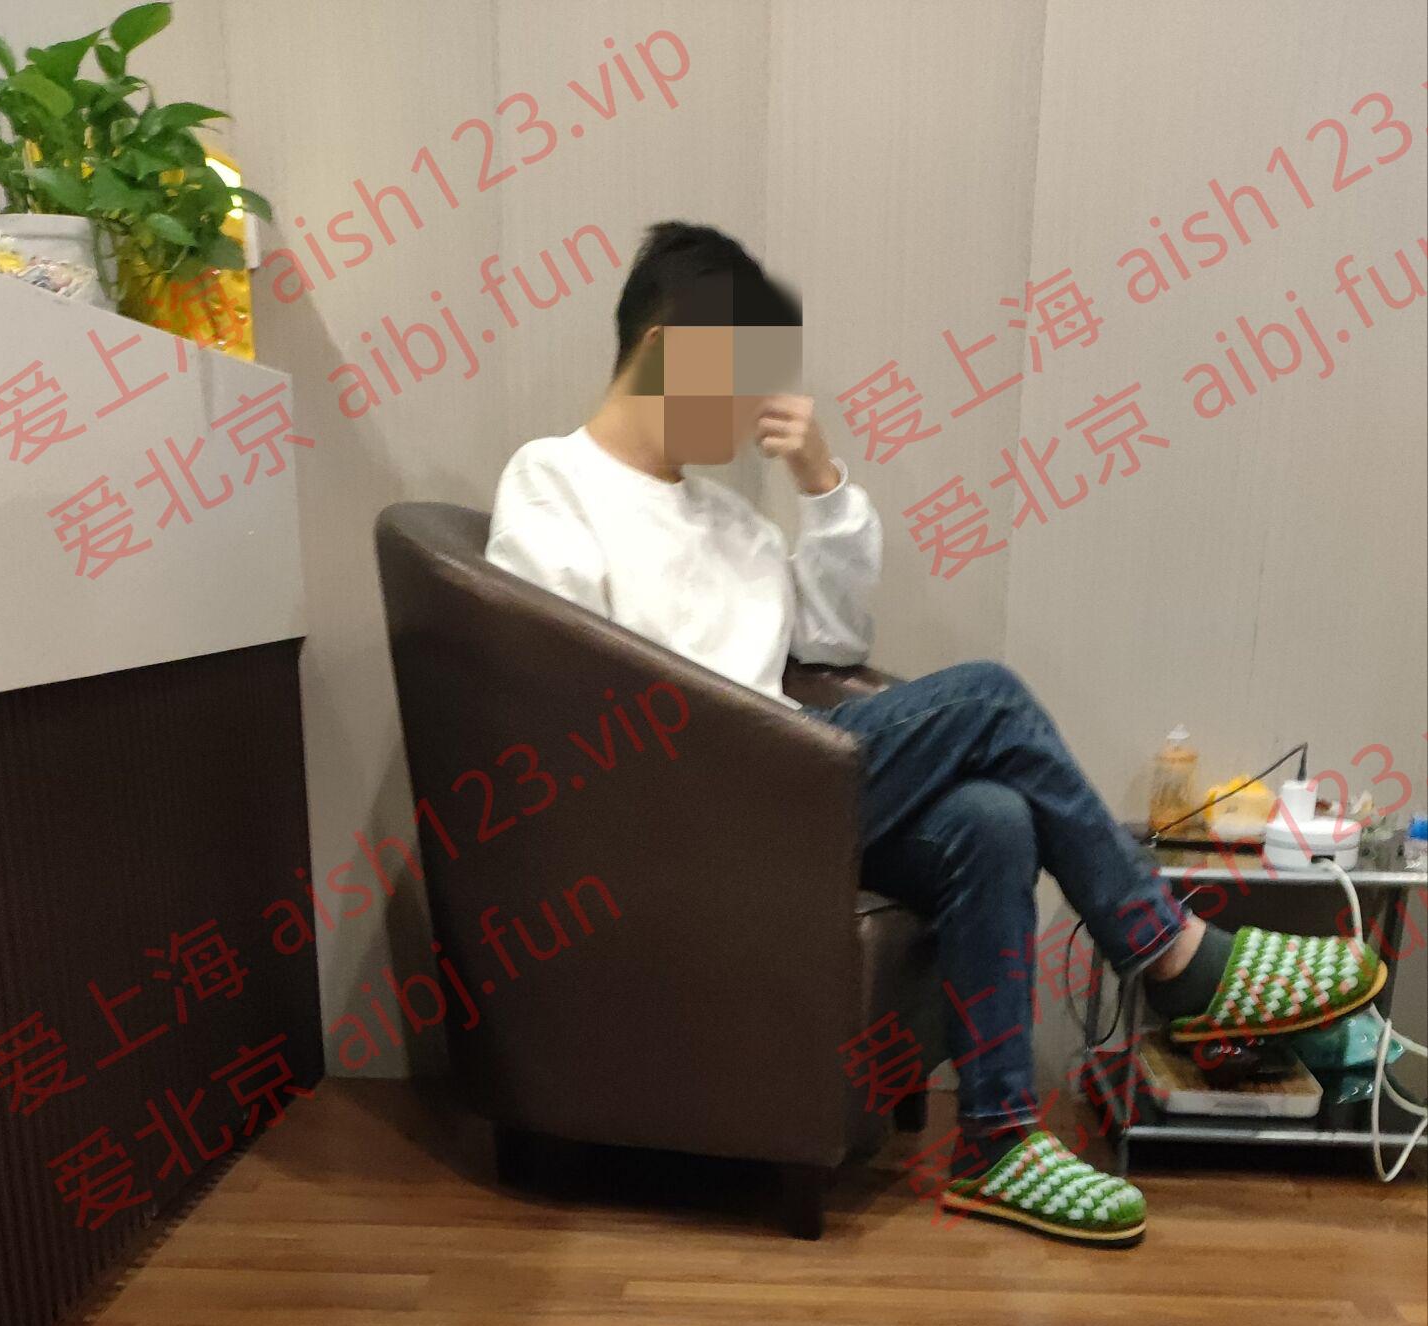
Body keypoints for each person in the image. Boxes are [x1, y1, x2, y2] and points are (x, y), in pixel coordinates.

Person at [485, 222, 1383, 1246]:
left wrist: (822, 485)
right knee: (987, 697)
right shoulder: (552, 481)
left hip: (783, 787)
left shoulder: (731, 524)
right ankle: (1166, 949)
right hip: (678, 804)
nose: (754, 402)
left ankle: (996, 1140)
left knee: (991, 819)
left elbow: (832, 642)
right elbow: (559, 688)